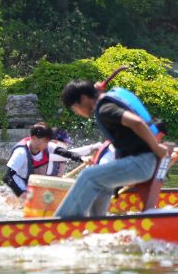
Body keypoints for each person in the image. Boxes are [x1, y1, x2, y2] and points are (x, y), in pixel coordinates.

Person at [54, 79, 169, 219]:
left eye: (75, 108)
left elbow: (137, 122)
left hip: (139, 164)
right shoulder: (105, 103)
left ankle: (62, 223)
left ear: (83, 99)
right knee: (101, 182)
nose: (77, 112)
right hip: (141, 163)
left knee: (88, 175)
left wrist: (156, 148)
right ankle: (96, 223)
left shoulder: (105, 109)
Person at [2, 122, 85, 198]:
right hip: (17, 182)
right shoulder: (21, 152)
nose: (47, 144)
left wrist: (83, 158)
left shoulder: (47, 145)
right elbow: (7, 176)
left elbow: (66, 153)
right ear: (34, 138)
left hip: (30, 182)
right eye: (45, 141)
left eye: (48, 141)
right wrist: (20, 193)